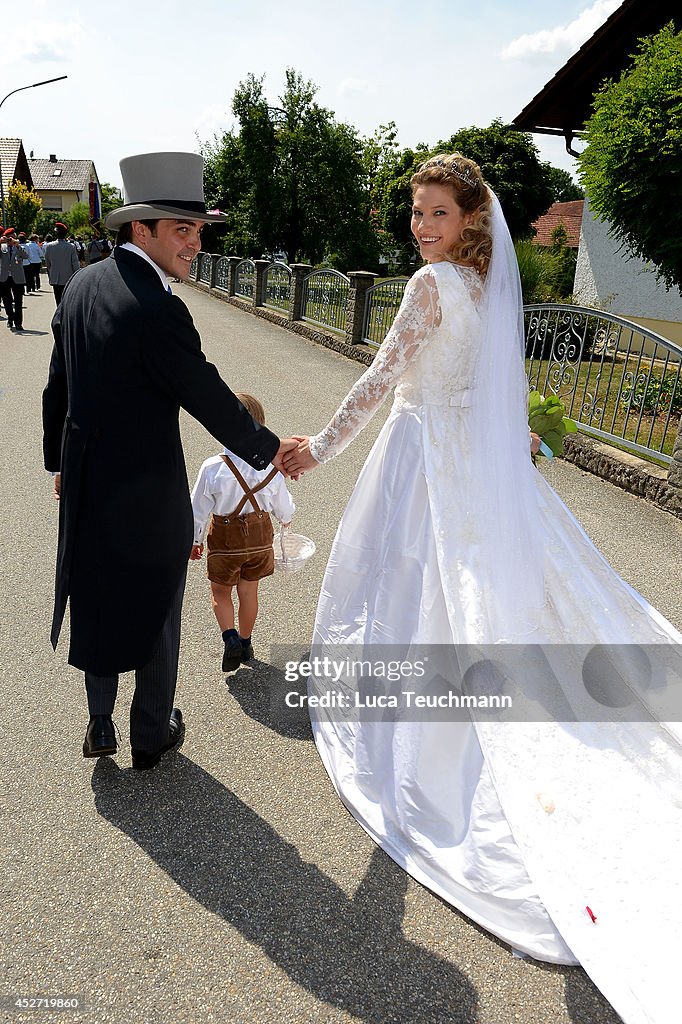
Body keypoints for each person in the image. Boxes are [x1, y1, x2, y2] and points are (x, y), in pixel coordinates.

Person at [283, 154, 682, 1024]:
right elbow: (499, 387)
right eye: (415, 212)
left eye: (435, 212)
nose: (421, 226)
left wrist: (317, 447)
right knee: (477, 589)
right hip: (472, 459)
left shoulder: (431, 286)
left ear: (469, 218)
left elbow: (382, 378)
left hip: (422, 457)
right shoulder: (486, 283)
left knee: (416, 590)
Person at [42, 151, 297, 771]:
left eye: (199, 229)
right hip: (147, 491)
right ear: (141, 230)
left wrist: (57, 461)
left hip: (86, 481)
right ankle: (151, 733)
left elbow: (58, 383)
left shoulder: (82, 284)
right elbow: (207, 393)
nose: (195, 243)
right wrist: (271, 452)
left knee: (96, 598)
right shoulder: (157, 307)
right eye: (181, 230)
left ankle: (100, 722)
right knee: (157, 607)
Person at [189, 392, 295, 672]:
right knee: (249, 591)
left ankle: (230, 637)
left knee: (220, 592)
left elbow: (197, 508)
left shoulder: (213, 467)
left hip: (225, 541)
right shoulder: (269, 468)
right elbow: (284, 507)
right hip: (259, 542)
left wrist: (195, 539)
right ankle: (247, 643)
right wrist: (286, 520)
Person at [44, 223, 80, 305]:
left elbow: (48, 264)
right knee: (67, 300)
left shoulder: (49, 246)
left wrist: (52, 273)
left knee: (58, 300)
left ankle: (59, 316)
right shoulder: (71, 246)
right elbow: (75, 264)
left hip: (55, 278)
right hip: (68, 278)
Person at [0, 228, 28, 330]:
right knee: (6, 301)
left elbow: (26, 256)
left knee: (18, 301)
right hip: (5, 277)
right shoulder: (2, 247)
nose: (10, 240)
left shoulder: (18, 247)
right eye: (9, 238)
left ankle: (18, 323)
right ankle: (10, 318)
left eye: (12, 238)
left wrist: (18, 245)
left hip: (18, 278)